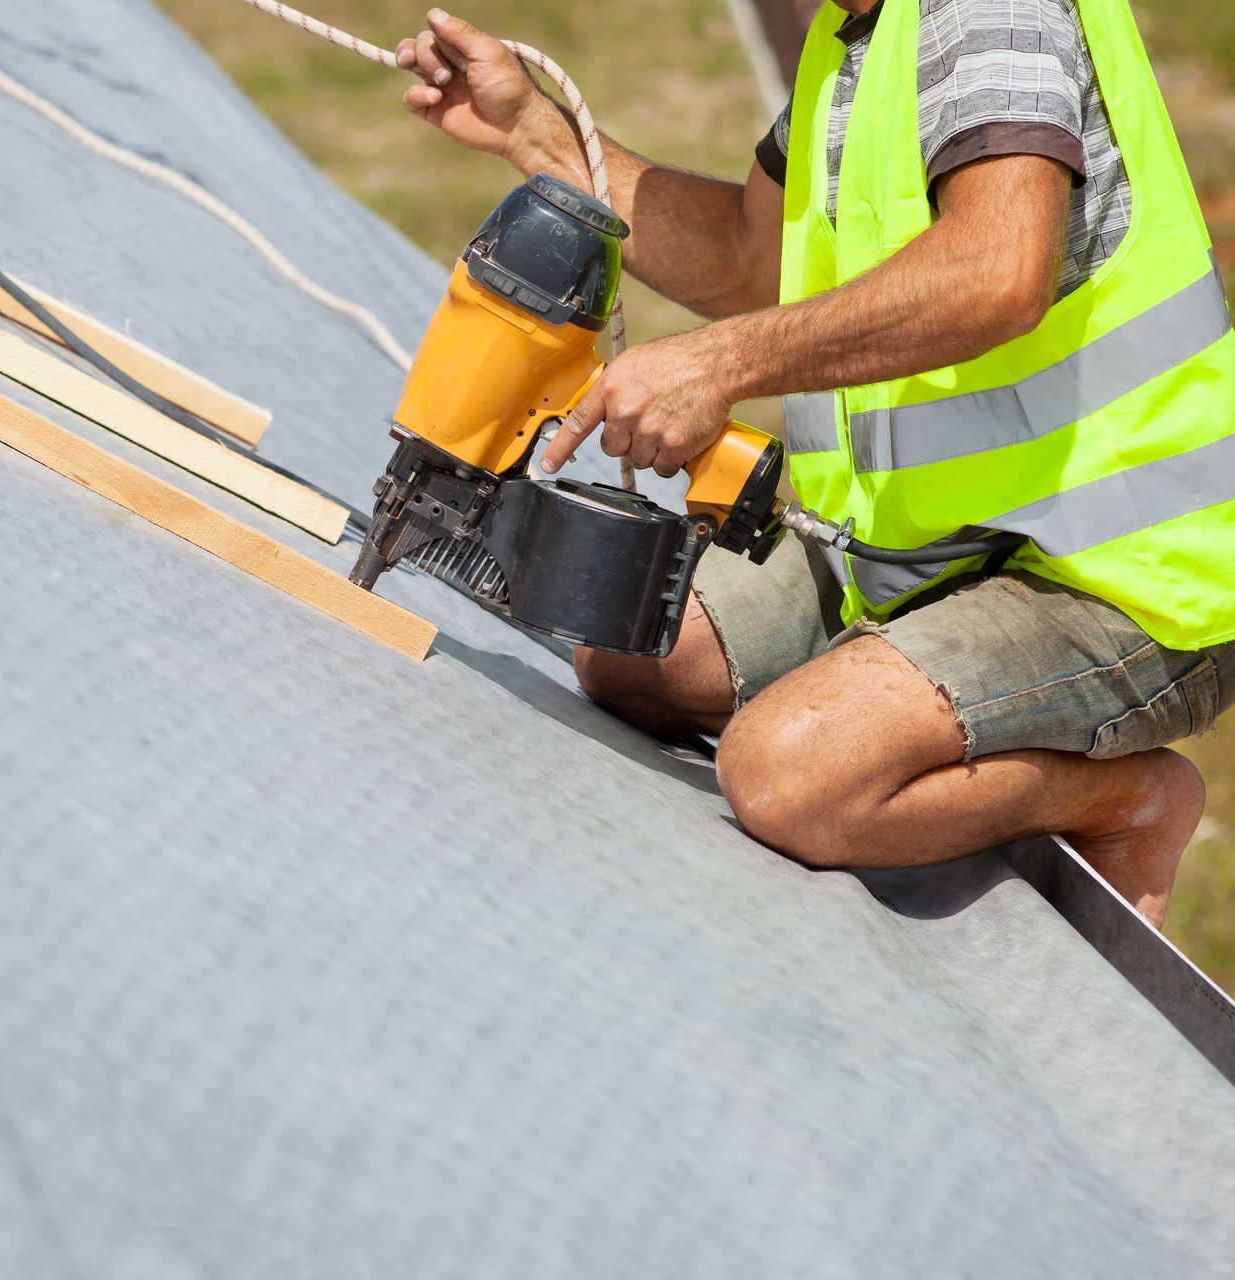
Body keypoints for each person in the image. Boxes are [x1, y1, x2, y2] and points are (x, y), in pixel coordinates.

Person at [394, 1, 1234, 926]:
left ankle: (1128, 801)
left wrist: (719, 365)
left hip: (1126, 572)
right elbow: (751, 258)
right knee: (630, 646)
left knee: (787, 776)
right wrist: (533, 133)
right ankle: (905, 700)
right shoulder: (856, 37)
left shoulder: (993, 11)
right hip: (922, 548)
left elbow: (999, 268)